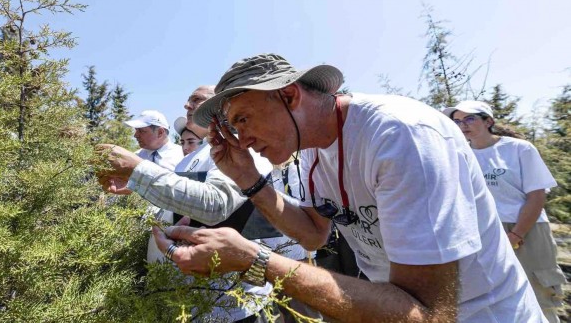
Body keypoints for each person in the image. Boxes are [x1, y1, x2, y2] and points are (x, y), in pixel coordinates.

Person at [151, 53, 546, 322]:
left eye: (244, 118)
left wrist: (256, 260)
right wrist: (248, 180)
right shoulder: (310, 151)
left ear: (289, 95)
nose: (242, 138)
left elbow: (427, 313)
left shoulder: (399, 136)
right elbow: (312, 233)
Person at [98, 85, 294, 322]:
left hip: (232, 306)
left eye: (196, 99)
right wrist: (134, 185)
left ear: (223, 105)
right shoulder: (190, 158)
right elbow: (184, 204)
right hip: (194, 303)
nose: (186, 105)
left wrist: (137, 170)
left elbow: (216, 204)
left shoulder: (241, 149)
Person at [444, 100, 567, 323]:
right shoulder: (460, 154)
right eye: (457, 121)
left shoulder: (519, 149)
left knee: (539, 295)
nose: (463, 125)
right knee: (492, 298)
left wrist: (516, 235)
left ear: (488, 121)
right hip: (483, 232)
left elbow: (536, 196)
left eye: (470, 118)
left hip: (526, 230)